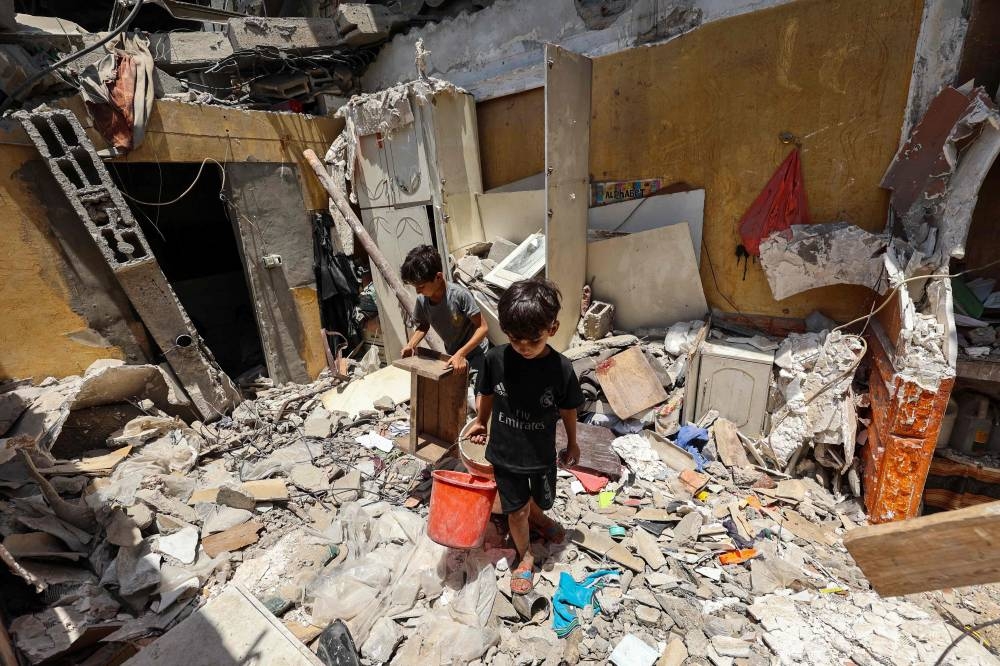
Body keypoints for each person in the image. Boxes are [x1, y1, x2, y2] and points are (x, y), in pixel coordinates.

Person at [468, 278, 584, 595]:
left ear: (553, 328)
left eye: (533, 339)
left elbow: (569, 407)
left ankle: (539, 518)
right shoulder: (496, 359)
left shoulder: (560, 368)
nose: (523, 346)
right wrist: (481, 421)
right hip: (505, 452)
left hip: (541, 453)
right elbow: (487, 392)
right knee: (514, 509)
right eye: (515, 338)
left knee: (542, 499)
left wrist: (573, 442)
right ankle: (525, 556)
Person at [400, 245, 489, 382]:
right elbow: (423, 325)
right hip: (453, 357)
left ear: (438, 277)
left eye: (421, 286)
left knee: (476, 399)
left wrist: (461, 353)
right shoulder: (422, 301)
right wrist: (411, 345)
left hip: (477, 355)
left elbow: (482, 328)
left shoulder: (460, 295)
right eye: (415, 287)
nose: (417, 291)